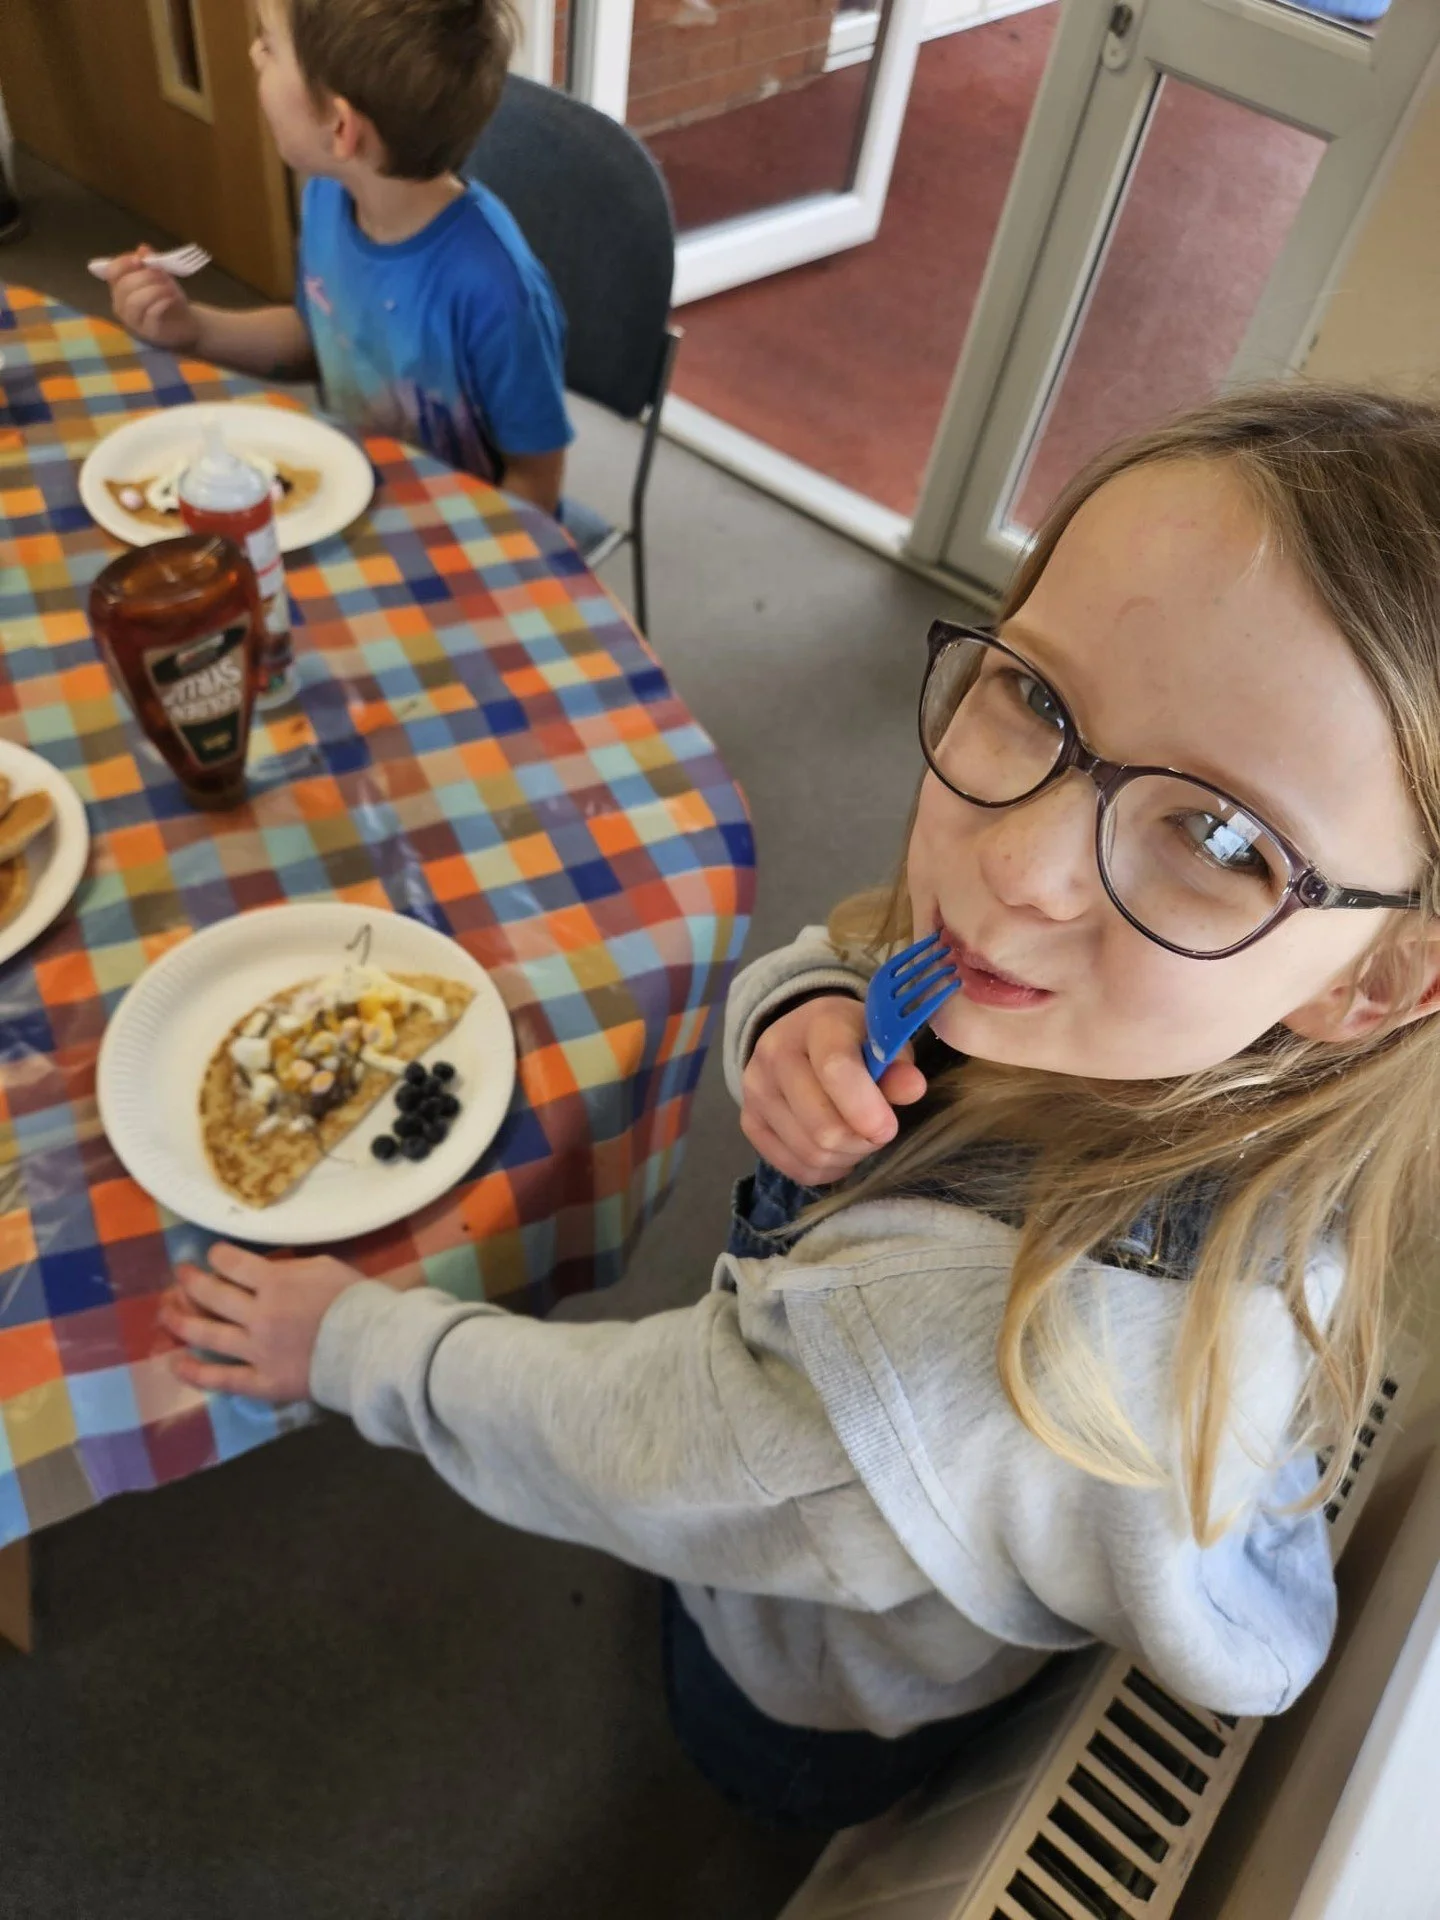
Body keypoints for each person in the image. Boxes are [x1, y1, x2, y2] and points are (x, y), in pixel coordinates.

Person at [159, 385, 1440, 1831]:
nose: (1018, 870)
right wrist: (807, 1012)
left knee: (716, 1717)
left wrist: (348, 1345)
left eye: (1219, 835)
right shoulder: (1190, 1043)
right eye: (1036, 697)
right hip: (878, 1520)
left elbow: (641, 1450)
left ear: (1379, 981)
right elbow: (859, 952)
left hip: (803, 1687)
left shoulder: (939, 1354)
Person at [102, 0, 572, 516]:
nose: (253, 55)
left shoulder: (497, 290)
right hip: (354, 494)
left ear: (342, 129)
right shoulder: (329, 197)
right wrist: (192, 328)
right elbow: (318, 335)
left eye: (269, 46)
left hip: (459, 530)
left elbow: (536, 483)